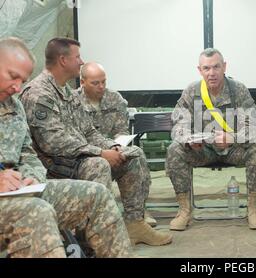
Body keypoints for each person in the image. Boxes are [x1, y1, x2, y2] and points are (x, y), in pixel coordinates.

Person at [19, 38, 172, 246]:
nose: (81, 61)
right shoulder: (39, 93)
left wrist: (111, 147)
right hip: (55, 165)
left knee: (133, 155)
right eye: (77, 57)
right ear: (63, 60)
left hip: (77, 159)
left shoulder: (65, 92)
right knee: (98, 165)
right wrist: (100, 154)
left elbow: (88, 131)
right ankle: (96, 237)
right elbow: (53, 143)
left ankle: (135, 224)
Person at [0, 37, 132, 258]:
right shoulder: (38, 94)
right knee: (38, 213)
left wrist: (31, 178)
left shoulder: (13, 106)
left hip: (19, 191)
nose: (17, 87)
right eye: (13, 77)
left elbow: (26, 153)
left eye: (22, 80)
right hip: (41, 177)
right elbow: (52, 141)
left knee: (96, 194)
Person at [165, 48, 256, 231]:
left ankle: (253, 208)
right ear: (199, 70)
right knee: (175, 149)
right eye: (206, 68)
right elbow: (178, 125)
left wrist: (232, 138)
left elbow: (253, 128)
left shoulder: (238, 90)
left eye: (216, 67)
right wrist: (189, 140)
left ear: (224, 67)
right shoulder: (191, 91)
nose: (211, 73)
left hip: (233, 150)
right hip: (203, 151)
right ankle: (184, 210)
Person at [78, 61, 157, 227]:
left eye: (103, 81)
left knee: (136, 154)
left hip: (114, 149)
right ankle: (104, 217)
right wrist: (106, 150)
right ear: (82, 82)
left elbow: (121, 130)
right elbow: (81, 138)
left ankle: (137, 212)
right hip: (88, 157)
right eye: (95, 83)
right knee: (98, 165)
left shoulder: (115, 99)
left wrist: (119, 145)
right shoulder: (73, 103)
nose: (101, 86)